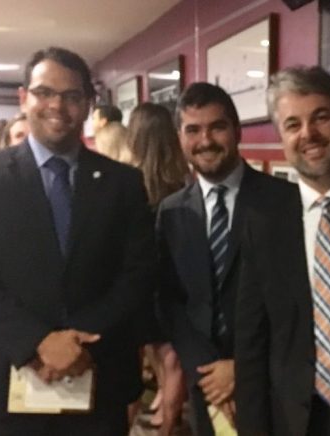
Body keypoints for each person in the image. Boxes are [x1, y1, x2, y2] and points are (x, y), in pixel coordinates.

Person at [0, 46, 155, 436]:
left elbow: (138, 272)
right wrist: (38, 342)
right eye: (44, 92)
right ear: (23, 97)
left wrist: (76, 342)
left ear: (89, 104)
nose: (57, 106)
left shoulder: (123, 182)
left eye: (71, 95)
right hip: (8, 374)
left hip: (98, 374)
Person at [235, 66, 330, 436]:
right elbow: (251, 343)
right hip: (292, 420)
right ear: (281, 137)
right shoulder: (264, 222)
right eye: (293, 124)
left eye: (321, 117)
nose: (308, 134)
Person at [157, 82, 293, 436]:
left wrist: (242, 368)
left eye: (217, 127)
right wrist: (206, 368)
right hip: (206, 384)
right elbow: (170, 301)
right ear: (180, 138)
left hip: (272, 380)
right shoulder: (170, 212)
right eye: (193, 130)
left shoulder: (283, 202)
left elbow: (294, 301)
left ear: (237, 131)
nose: (205, 140)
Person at [126, 102, 190, 435]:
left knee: (146, 352)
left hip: (139, 284)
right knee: (172, 356)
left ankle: (158, 413)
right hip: (177, 281)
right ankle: (168, 420)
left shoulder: (127, 183)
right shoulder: (184, 183)